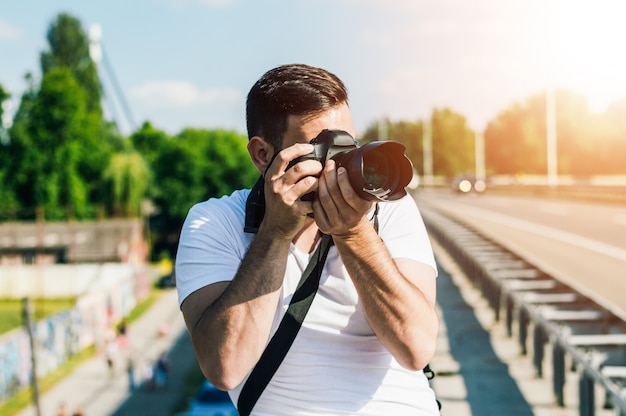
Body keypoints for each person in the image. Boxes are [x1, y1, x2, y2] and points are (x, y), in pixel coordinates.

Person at [176, 64, 440, 415]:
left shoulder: (388, 208)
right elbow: (224, 366)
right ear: (262, 155)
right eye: (322, 150)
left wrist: (354, 233)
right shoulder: (215, 222)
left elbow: (417, 347)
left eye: (348, 148)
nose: (340, 168)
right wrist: (274, 233)